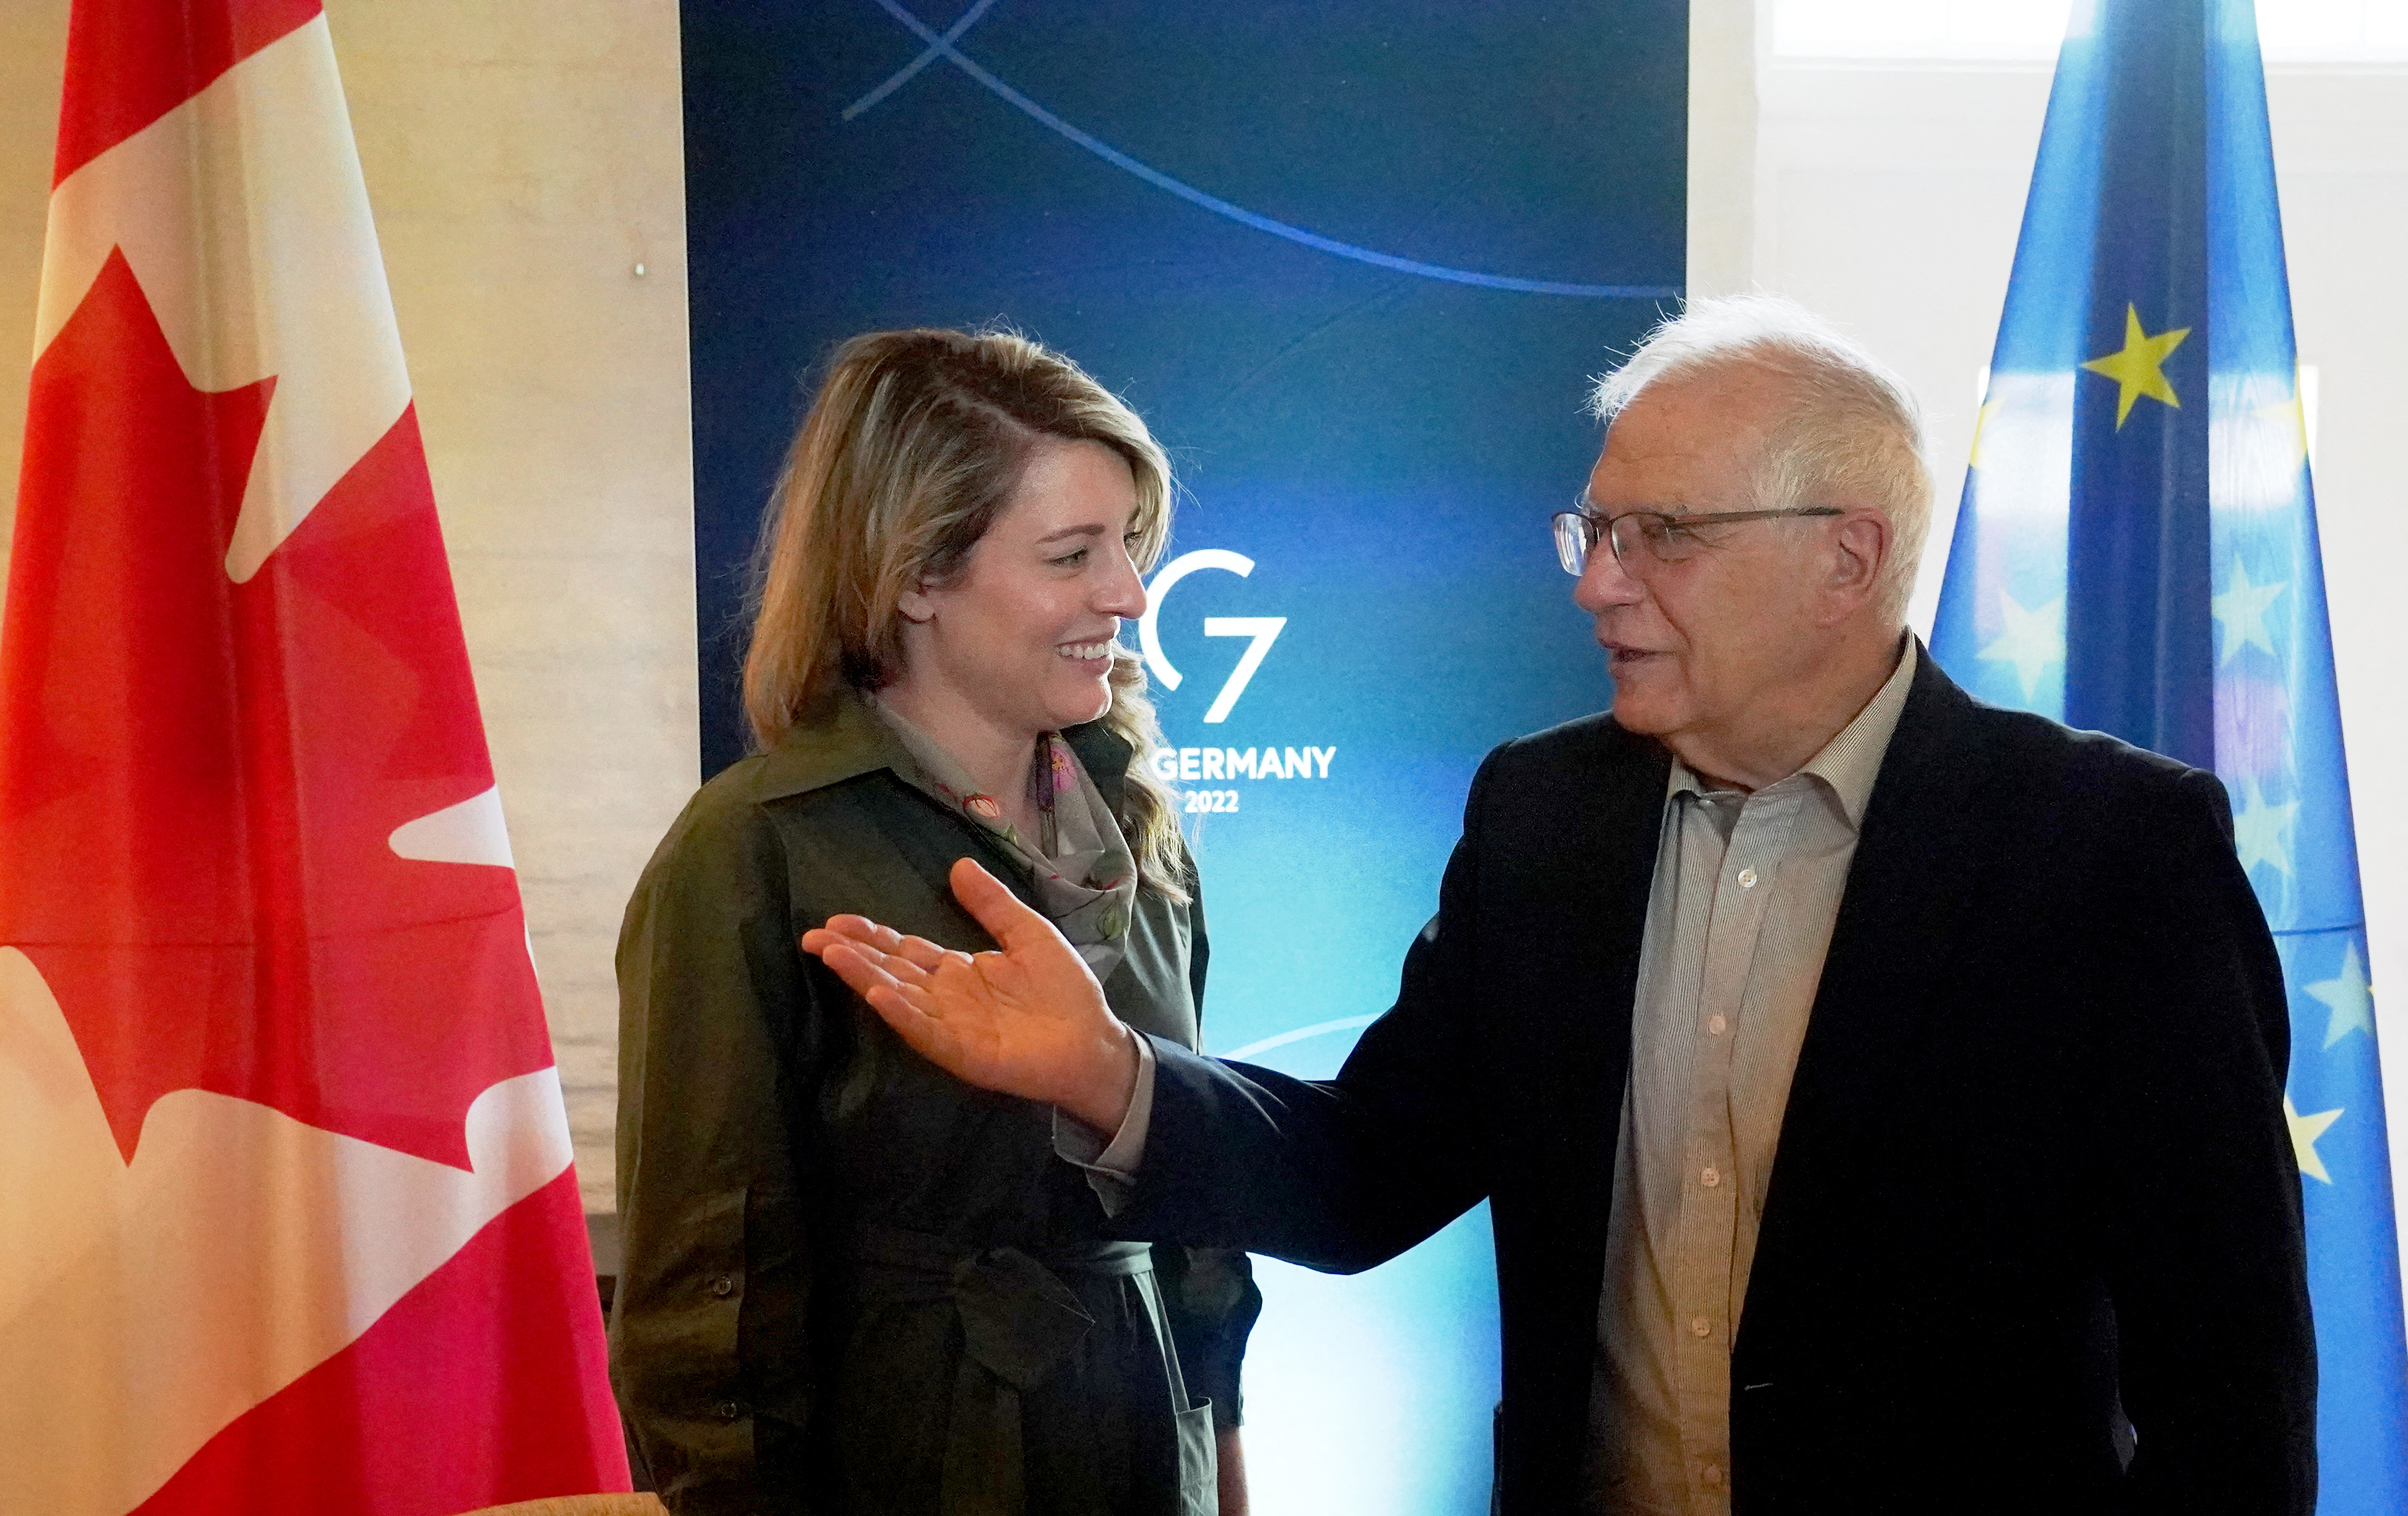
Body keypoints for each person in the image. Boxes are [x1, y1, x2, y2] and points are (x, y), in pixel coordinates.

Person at [801, 298, 2316, 1515]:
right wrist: (1107, 1076)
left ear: (1846, 556)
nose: (1600, 584)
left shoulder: (2113, 848)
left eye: (1665, 535)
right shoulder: (1545, 813)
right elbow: (1368, 1164)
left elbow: (2229, 1382)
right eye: (1594, 532)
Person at [612, 328, 1260, 1516]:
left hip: (1140, 1433)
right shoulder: (753, 850)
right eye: (1073, 554)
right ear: (916, 575)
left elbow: (1199, 1211)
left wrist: (1220, 1461)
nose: (1127, 594)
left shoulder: (1141, 826)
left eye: (1127, 545)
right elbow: (711, 1303)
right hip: (901, 1451)